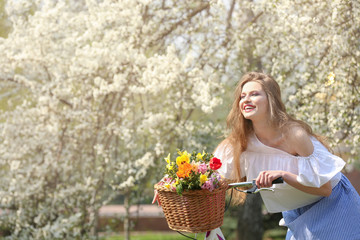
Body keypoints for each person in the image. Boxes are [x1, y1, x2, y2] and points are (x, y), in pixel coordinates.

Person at [213, 72, 360, 239]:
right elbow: (212, 177)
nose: (246, 99)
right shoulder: (239, 142)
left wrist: (283, 175)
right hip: (296, 212)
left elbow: (325, 189)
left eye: (254, 94)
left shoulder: (294, 134)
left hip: (335, 206)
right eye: (242, 96)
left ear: (271, 99)